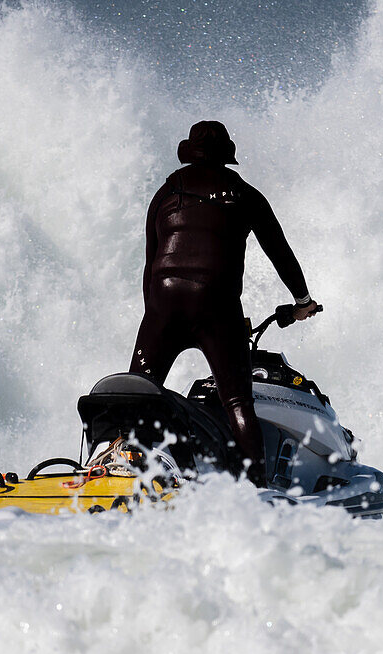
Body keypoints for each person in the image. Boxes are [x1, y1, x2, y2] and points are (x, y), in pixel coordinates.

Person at [129, 120, 320, 485]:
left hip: (162, 302)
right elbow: (280, 254)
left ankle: (119, 472)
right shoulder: (244, 194)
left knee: (139, 393)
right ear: (226, 155)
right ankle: (256, 487)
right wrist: (303, 301)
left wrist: (155, 319)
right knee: (236, 402)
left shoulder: (166, 192)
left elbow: (151, 263)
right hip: (215, 305)